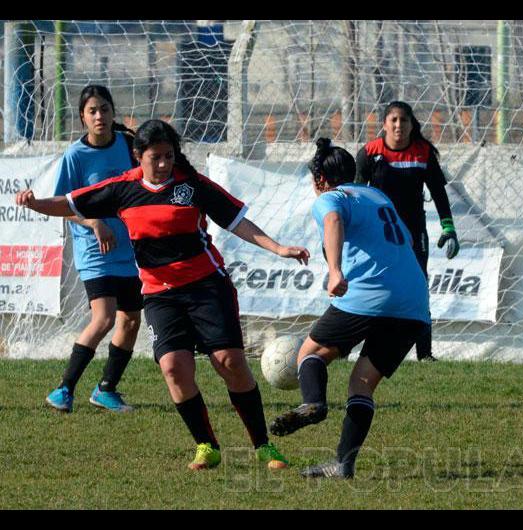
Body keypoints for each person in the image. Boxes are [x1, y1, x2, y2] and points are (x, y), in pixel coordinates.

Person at [17, 119, 310, 471]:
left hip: (206, 286)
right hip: (159, 294)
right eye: (155, 157)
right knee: (173, 366)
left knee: (229, 363)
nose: (163, 164)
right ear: (138, 156)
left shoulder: (193, 186)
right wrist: (35, 205)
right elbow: (71, 203)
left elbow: (236, 221)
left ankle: (263, 446)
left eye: (169, 156)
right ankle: (207, 446)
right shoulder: (122, 189)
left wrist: (278, 249)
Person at [268, 138, 430, 479]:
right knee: (361, 383)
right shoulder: (377, 195)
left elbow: (332, 221)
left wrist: (337, 270)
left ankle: (312, 403)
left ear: (318, 180)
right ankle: (343, 464)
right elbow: (409, 241)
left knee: (309, 354)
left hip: (369, 294)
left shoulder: (330, 197)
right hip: (414, 301)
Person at [46, 85, 142, 413]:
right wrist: (93, 222)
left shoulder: (129, 146)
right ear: (83, 118)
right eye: (92, 111)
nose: (99, 115)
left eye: (104, 108)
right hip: (94, 249)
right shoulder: (75, 155)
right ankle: (63, 389)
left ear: (113, 111)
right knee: (103, 317)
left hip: (128, 248)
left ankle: (106, 389)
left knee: (130, 320)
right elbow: (64, 204)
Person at [355, 101, 457, 362]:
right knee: (373, 285)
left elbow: (439, 192)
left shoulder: (422, 153)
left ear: (412, 125)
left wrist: (448, 226)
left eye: (404, 120)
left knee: (418, 287)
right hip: (377, 234)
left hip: (413, 233)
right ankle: (358, 348)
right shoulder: (370, 153)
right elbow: (354, 194)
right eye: (394, 120)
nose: (399, 125)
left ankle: (425, 354)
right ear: (384, 124)